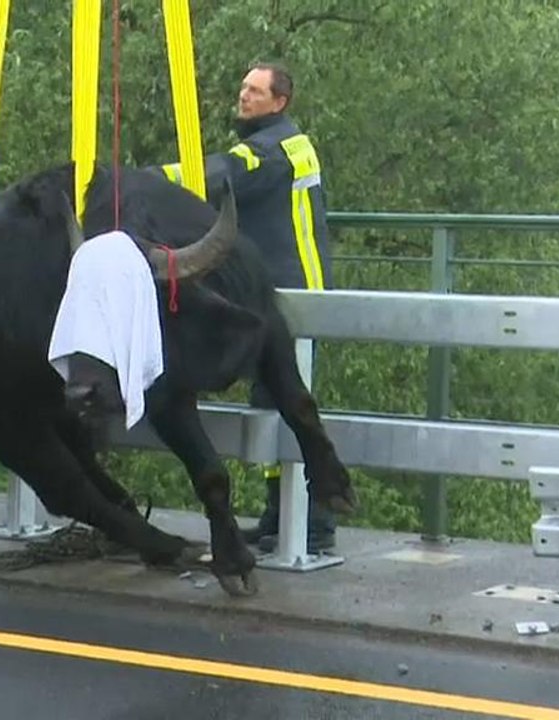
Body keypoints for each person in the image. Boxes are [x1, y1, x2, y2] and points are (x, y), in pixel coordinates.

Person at [149, 61, 337, 554]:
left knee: (291, 405)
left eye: (255, 91)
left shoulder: (274, 149)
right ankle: (281, 517)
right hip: (277, 291)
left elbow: (219, 175)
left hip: (298, 291)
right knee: (271, 403)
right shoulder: (269, 143)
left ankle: (314, 525)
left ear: (280, 102)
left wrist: (139, 183)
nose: (244, 97)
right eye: (243, 89)